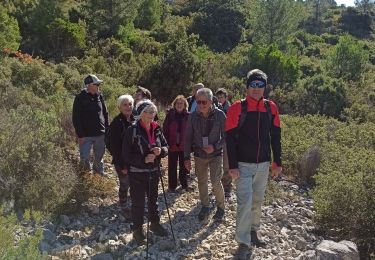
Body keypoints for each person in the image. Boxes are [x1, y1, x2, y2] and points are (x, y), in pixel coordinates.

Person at [225, 69, 282, 259]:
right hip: (242, 165)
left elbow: (276, 136)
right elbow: (230, 139)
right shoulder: (236, 108)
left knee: (257, 200)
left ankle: (253, 231)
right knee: (244, 202)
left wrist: (277, 162)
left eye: (260, 85)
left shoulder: (270, 107)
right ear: (247, 86)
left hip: (264, 164)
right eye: (253, 84)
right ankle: (242, 242)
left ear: (265, 87)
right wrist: (232, 165)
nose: (256, 88)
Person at [122, 100, 169, 245]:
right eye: (147, 112)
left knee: (153, 200)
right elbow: (126, 155)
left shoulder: (157, 128)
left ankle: (154, 224)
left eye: (153, 112)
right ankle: (137, 230)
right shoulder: (132, 130)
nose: (150, 114)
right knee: (138, 203)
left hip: (154, 171)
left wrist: (160, 151)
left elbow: (166, 147)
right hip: (137, 173)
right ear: (140, 114)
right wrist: (144, 159)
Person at [184, 88, 226, 222]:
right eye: (198, 102)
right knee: (201, 182)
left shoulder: (220, 115)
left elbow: (227, 137)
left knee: (215, 181)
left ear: (211, 101)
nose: (201, 105)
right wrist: (186, 157)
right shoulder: (192, 116)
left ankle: (221, 207)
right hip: (199, 154)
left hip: (215, 154)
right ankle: (205, 206)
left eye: (204, 102)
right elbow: (188, 137)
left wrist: (214, 146)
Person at [72, 74, 109, 175]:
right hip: (85, 135)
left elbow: (105, 113)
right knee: (84, 158)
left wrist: (107, 129)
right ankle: (85, 177)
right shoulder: (80, 98)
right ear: (89, 85)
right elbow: (76, 118)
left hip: (100, 134)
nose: (98, 86)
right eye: (96, 84)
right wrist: (80, 135)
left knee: (99, 157)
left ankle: (98, 174)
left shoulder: (99, 96)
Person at [108, 94, 135, 220]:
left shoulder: (135, 120)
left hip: (134, 159)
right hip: (122, 161)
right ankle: (124, 205)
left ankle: (134, 205)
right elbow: (113, 147)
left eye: (130, 104)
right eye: (125, 104)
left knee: (134, 182)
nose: (128, 107)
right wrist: (122, 165)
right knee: (125, 183)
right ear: (119, 107)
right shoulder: (116, 123)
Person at [163, 95, 192, 193]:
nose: (179, 105)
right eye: (177, 103)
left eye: (181, 103)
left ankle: (184, 185)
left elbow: (192, 131)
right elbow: (165, 130)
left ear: (185, 105)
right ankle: (172, 186)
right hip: (172, 145)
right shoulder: (170, 115)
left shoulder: (189, 116)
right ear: (174, 105)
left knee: (184, 166)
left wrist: (191, 145)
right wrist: (166, 143)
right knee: (172, 166)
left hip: (184, 145)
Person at [215, 88, 232, 197]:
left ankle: (227, 188)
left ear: (226, 97)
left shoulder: (230, 109)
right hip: (216, 138)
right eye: (218, 97)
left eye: (222, 97)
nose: (220, 99)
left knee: (226, 164)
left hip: (227, 139)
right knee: (216, 164)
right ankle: (217, 187)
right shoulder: (214, 107)